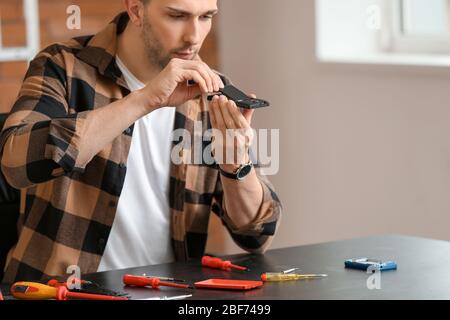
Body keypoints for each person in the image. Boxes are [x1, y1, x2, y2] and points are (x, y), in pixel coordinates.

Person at [0, 0, 281, 283]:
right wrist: (145, 99)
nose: (194, 36)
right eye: (177, 15)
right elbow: (14, 164)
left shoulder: (211, 93)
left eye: (206, 16)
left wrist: (236, 167)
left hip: (169, 291)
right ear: (136, 9)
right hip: (59, 290)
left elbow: (257, 234)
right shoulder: (62, 67)